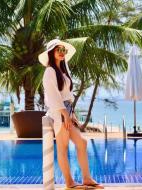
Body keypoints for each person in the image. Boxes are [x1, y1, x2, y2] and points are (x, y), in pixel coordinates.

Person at [39, 39, 104, 189]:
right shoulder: (49, 71)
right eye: (58, 50)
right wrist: (64, 113)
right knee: (63, 148)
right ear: (51, 52)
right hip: (59, 112)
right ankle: (69, 182)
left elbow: (67, 95)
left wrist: (71, 113)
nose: (61, 52)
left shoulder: (62, 70)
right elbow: (53, 95)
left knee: (82, 143)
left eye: (63, 50)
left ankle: (86, 179)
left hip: (67, 111)